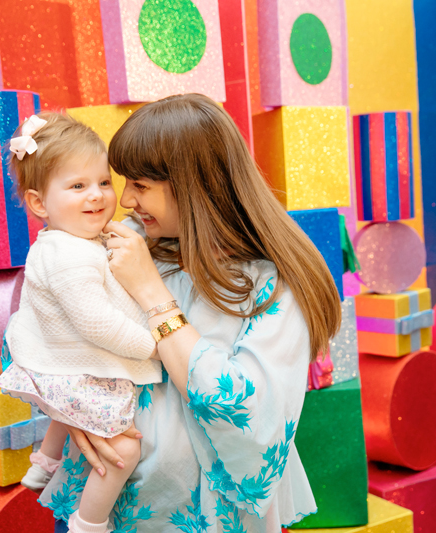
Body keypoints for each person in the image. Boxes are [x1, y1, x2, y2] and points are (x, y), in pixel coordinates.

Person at [38, 93, 342, 533]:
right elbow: (37, 330)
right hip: (109, 502)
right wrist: (70, 410)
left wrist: (150, 292)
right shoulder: (125, 246)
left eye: (140, 186)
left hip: (204, 515)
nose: (124, 200)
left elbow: (246, 411)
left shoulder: (268, 284)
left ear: (193, 184)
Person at [0, 113, 163, 533]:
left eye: (104, 182)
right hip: (66, 366)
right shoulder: (70, 255)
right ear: (38, 203)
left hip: (56, 364)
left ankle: (42, 465)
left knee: (66, 406)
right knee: (123, 447)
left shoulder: (72, 239)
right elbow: (96, 322)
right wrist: (151, 344)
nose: (98, 196)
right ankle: (89, 523)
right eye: (77, 186)